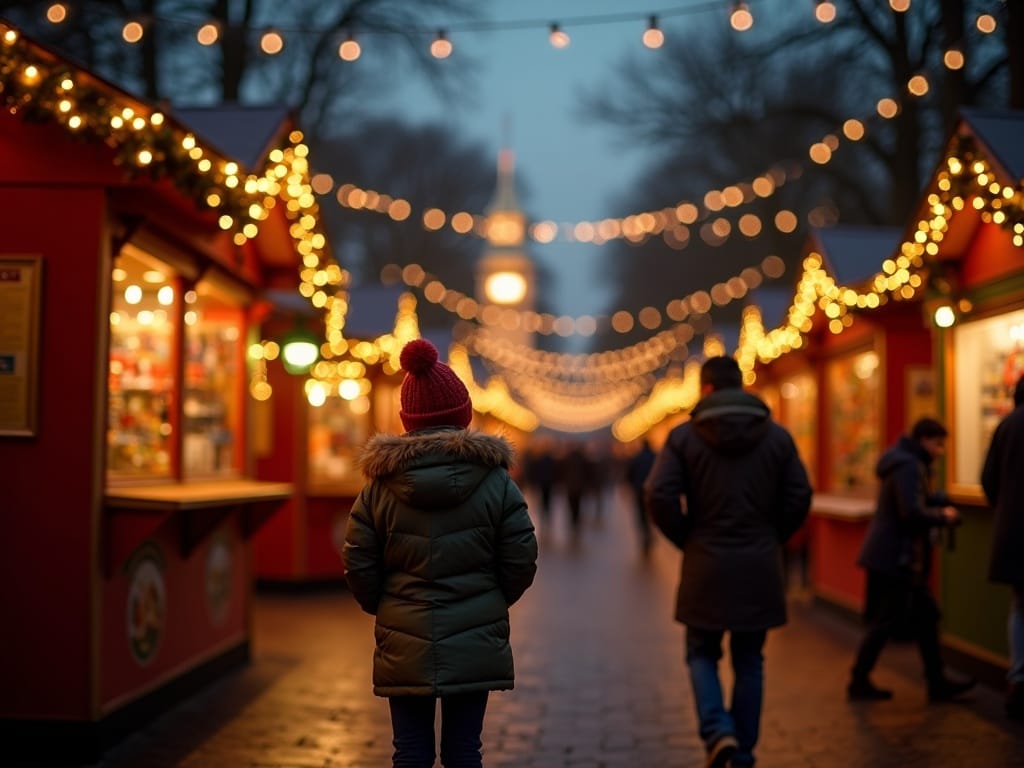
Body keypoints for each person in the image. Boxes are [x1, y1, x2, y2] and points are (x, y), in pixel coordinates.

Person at [342, 338, 538, 768]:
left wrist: (384, 603)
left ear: (407, 419)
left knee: (409, 750)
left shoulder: (379, 486)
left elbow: (358, 556)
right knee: (465, 750)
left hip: (402, 628)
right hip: (476, 629)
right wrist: (492, 596)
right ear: (463, 414)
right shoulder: (496, 482)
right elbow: (522, 554)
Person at [645, 356, 812, 768]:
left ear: (705, 389)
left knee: (701, 652)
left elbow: (658, 494)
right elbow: (799, 495)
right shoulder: (778, 437)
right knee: (750, 658)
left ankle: (718, 731)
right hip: (759, 561)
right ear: (743, 386)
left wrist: (688, 537)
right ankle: (744, 747)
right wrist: (772, 536)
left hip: (706, 559)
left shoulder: (685, 438)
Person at [848, 417, 976, 703]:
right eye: (938, 444)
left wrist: (937, 499)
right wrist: (943, 516)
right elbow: (910, 512)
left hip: (892, 555)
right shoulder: (909, 465)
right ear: (924, 440)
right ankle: (861, 679)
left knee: (923, 617)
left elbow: (911, 503)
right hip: (897, 558)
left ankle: (935, 680)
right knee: (888, 621)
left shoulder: (903, 461)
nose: (940, 451)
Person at [982, 374, 1024, 720]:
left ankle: (1018, 679)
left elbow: (988, 480)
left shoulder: (1007, 426)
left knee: (1020, 605)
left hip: (1014, 532)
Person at [625, 438, 656, 557]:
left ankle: (645, 533)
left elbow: (630, 474)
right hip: (653, 491)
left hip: (639, 491)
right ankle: (650, 532)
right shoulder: (656, 457)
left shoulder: (636, 458)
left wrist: (630, 486)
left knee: (641, 515)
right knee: (651, 514)